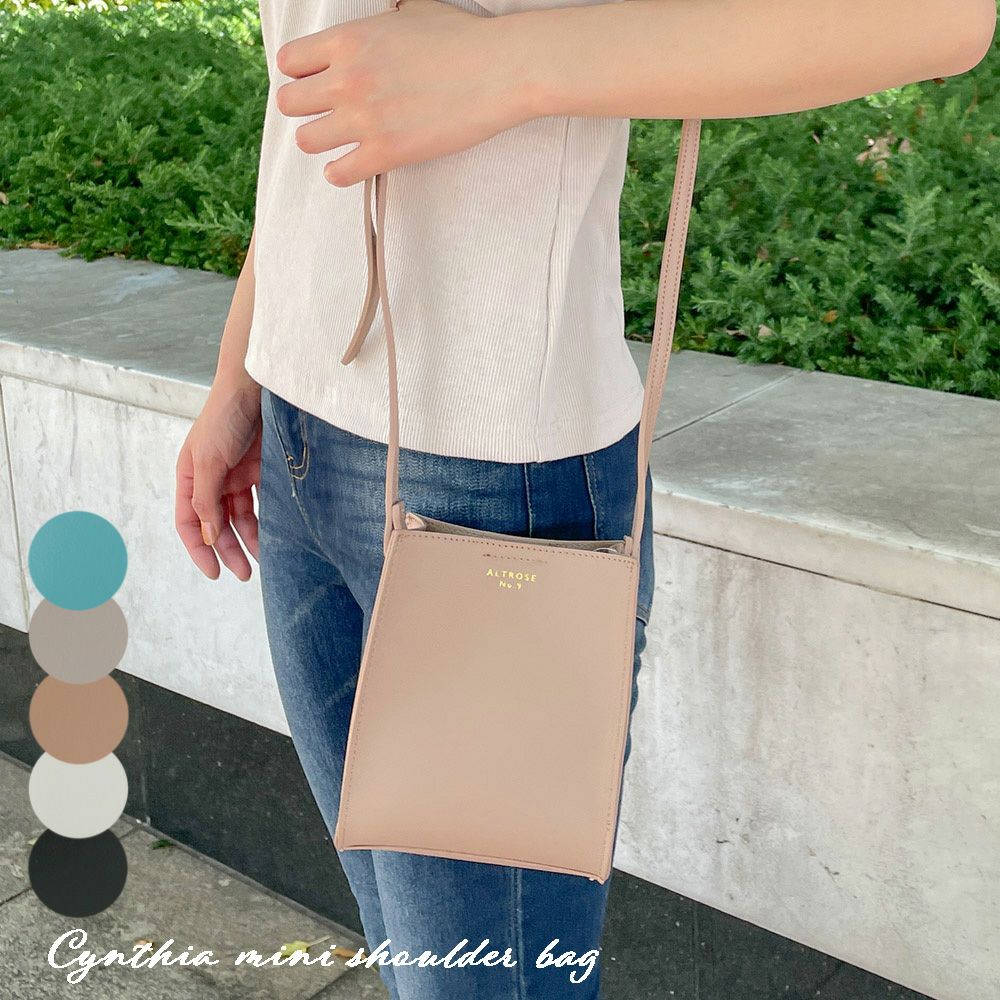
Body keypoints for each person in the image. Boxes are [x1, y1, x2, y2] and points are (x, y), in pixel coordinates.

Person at [175, 1, 994, 997]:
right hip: (296, 435)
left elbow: (940, 19)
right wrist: (239, 376)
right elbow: (314, 105)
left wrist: (509, 63)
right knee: (418, 964)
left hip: (490, 481)